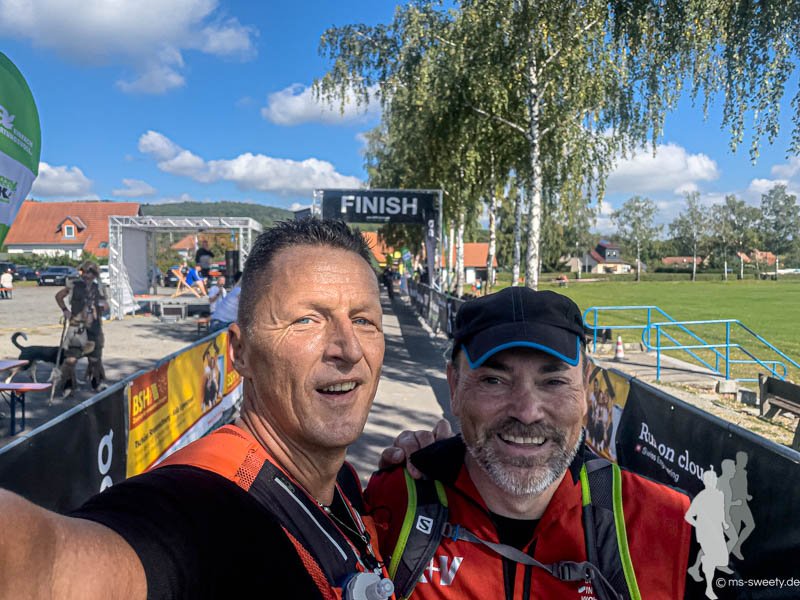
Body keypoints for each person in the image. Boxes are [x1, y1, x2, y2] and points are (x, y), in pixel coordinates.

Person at [0, 219, 398, 599]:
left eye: (364, 320)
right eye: (307, 320)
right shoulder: (205, 508)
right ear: (239, 353)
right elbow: (46, 566)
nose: (349, 349)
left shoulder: (344, 484)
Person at [365, 287, 692, 600]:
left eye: (553, 382)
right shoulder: (393, 502)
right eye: (494, 380)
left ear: (586, 390)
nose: (526, 412)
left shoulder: (670, 524)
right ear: (454, 387)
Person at [55, 260, 108, 392]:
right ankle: (68, 385)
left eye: (89, 273)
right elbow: (58, 296)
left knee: (95, 359)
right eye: (84, 272)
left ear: (95, 275)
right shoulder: (74, 285)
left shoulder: (99, 288)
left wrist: (102, 306)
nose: (86, 276)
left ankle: (97, 383)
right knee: (70, 359)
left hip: (94, 327)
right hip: (76, 327)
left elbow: (105, 305)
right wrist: (65, 310)